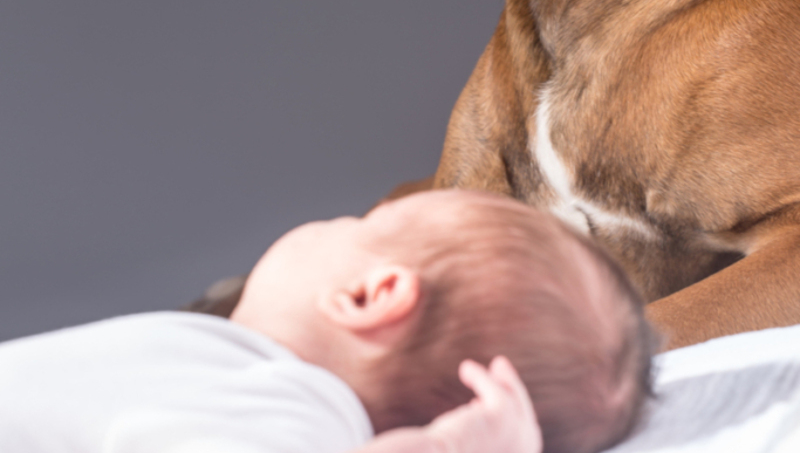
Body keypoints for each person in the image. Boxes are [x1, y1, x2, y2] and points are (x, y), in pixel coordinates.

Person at [0, 190, 653, 453]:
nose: (347, 215)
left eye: (365, 225)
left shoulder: (295, 401)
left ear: (370, 296)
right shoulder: (239, 369)